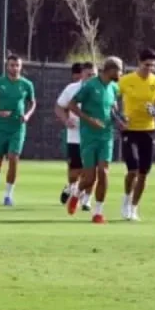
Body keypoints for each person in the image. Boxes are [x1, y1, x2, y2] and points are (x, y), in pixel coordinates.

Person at [66, 57, 124, 222]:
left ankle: (98, 212)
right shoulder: (90, 86)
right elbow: (72, 105)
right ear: (110, 70)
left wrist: (119, 121)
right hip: (89, 137)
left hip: (106, 136)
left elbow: (112, 109)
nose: (121, 73)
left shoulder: (114, 87)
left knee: (104, 172)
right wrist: (89, 120)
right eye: (119, 70)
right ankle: (77, 192)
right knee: (90, 178)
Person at [118, 48, 155, 221]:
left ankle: (134, 208)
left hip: (148, 130)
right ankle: (125, 200)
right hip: (129, 130)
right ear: (139, 62)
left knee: (143, 172)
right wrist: (119, 116)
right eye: (147, 65)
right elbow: (111, 100)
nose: (150, 69)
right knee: (132, 169)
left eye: (153, 66)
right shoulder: (125, 80)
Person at [0, 54, 37, 206]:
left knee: (13, 159)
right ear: (7, 66)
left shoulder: (27, 84)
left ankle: (8, 194)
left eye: (17, 65)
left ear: (21, 67)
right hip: (1, 127)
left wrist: (27, 115)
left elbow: (32, 103)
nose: (14, 68)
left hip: (18, 127)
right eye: (12, 65)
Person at [55, 62, 96, 209]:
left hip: (93, 136)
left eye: (93, 75)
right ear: (82, 74)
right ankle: (71, 187)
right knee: (75, 173)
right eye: (88, 74)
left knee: (92, 169)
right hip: (74, 136)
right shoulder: (72, 89)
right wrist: (66, 120)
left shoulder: (101, 89)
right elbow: (59, 106)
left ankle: (87, 200)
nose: (91, 77)